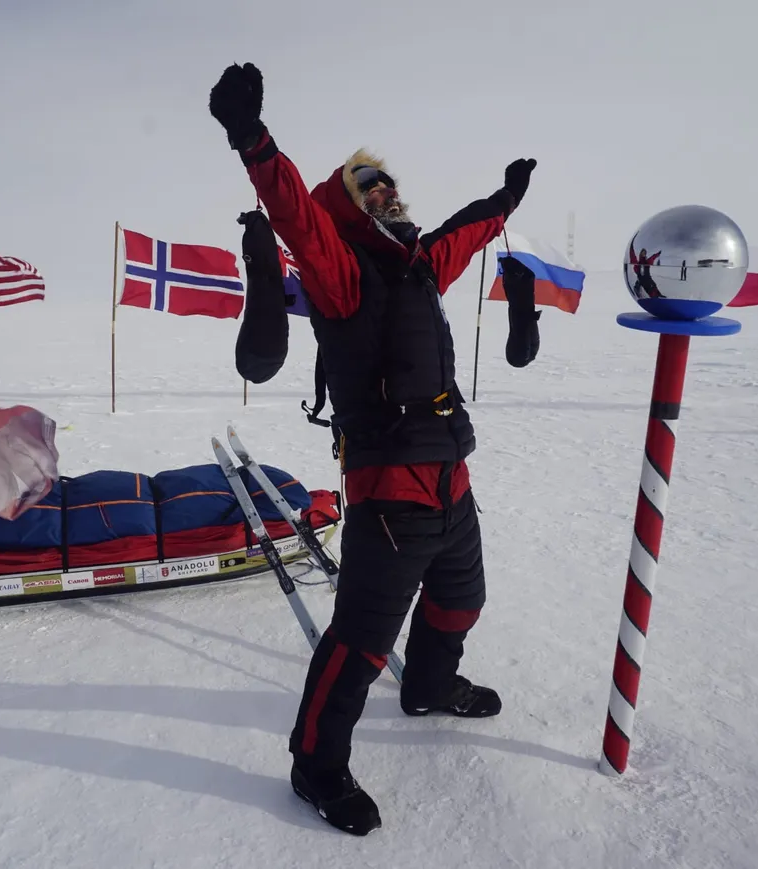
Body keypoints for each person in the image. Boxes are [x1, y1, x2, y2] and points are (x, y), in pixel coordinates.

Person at [208, 62, 540, 836]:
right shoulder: (343, 272)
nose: (385, 192)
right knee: (360, 639)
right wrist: (254, 142)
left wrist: (505, 202)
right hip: (391, 489)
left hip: (451, 474)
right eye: (369, 186)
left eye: (387, 182)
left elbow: (461, 231)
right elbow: (297, 218)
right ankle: (315, 765)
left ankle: (428, 686)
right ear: (348, 206)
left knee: (462, 601)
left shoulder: (419, 266)